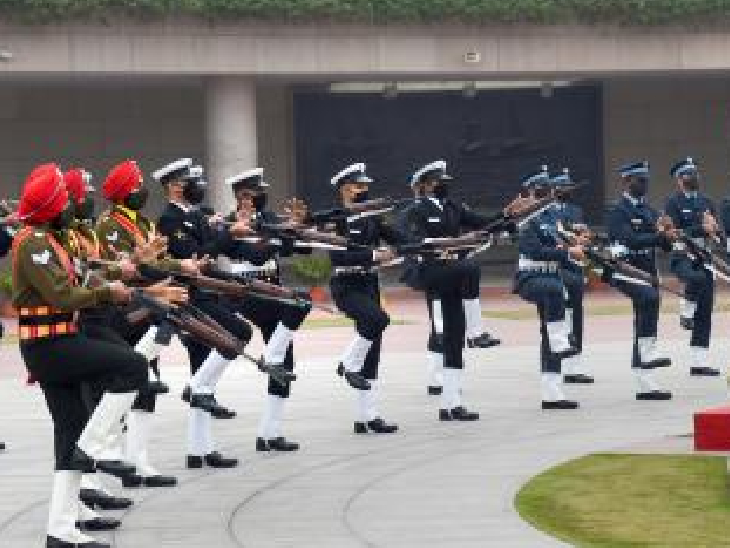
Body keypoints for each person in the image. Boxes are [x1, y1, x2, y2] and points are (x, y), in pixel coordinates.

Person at [13, 163, 147, 547]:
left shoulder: (48, 239)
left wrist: (116, 278)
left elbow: (79, 277)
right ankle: (96, 447)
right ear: (53, 206)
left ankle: (60, 529)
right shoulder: (35, 243)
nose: (72, 204)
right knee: (133, 365)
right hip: (49, 347)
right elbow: (61, 295)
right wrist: (108, 293)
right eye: (65, 199)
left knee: (68, 432)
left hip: (57, 344)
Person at [398, 160, 522, 421]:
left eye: (444, 181)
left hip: (451, 276)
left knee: (454, 339)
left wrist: (507, 216)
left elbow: (482, 223)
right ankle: (477, 332)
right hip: (429, 271)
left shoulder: (453, 207)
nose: (444, 185)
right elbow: (412, 242)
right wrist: (449, 243)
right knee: (471, 268)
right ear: (424, 186)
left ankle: (451, 405)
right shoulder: (414, 211)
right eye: (437, 181)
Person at [155, 158, 254, 469]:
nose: (198, 186)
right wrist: (230, 235)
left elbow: (211, 249)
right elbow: (191, 257)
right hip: (188, 297)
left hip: (203, 292)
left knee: (201, 371)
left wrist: (233, 233)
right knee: (240, 333)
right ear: (174, 186)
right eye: (189, 180)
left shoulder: (195, 216)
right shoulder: (169, 220)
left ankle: (199, 450)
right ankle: (197, 391)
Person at [221, 167, 312, 451]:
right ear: (240, 196)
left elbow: (303, 248)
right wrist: (282, 235)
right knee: (298, 304)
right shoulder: (228, 223)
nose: (259, 197)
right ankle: (270, 357)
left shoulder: (270, 220)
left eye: (260, 192)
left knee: (286, 364)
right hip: (247, 291)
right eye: (253, 193)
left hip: (272, 290)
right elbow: (257, 255)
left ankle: (269, 433)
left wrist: (298, 225)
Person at [330, 162, 400, 434]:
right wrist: (374, 255)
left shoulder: (372, 216)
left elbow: (398, 237)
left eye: (366, 186)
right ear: (345, 188)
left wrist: (426, 245)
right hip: (346, 285)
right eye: (359, 186)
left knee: (372, 351)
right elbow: (338, 256)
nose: (364, 190)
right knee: (378, 319)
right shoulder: (335, 219)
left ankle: (367, 417)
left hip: (369, 283)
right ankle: (346, 363)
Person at [606, 161, 675, 400]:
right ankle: (647, 357)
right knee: (648, 298)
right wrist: (657, 236)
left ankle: (645, 382)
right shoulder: (617, 210)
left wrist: (668, 234)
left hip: (647, 270)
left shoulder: (651, 211)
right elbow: (628, 239)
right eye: (639, 180)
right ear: (626, 181)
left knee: (648, 311)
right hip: (625, 269)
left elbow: (664, 246)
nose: (644, 184)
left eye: (646, 180)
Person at [515, 166, 582, 409]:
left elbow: (561, 243)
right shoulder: (526, 218)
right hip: (530, 276)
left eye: (548, 189)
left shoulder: (553, 216)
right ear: (531, 192)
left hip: (552, 277)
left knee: (548, 330)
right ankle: (559, 340)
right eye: (541, 189)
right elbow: (533, 250)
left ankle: (552, 393)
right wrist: (566, 251)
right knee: (554, 293)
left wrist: (574, 244)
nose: (546, 193)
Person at [664, 157, 720, 376]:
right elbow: (676, 231)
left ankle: (699, 362)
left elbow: (716, 229)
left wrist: (715, 231)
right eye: (687, 174)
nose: (693, 177)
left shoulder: (707, 201)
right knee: (695, 279)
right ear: (679, 180)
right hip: (683, 257)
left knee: (705, 308)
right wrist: (702, 228)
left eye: (695, 173)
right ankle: (686, 310)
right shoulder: (673, 202)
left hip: (705, 256)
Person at [551, 168, 593, 384]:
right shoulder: (548, 211)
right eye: (564, 187)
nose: (568, 191)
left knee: (576, 315)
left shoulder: (576, 210)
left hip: (575, 266)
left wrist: (584, 238)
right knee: (559, 316)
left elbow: (581, 236)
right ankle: (557, 363)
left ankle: (574, 365)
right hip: (556, 266)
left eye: (570, 187)